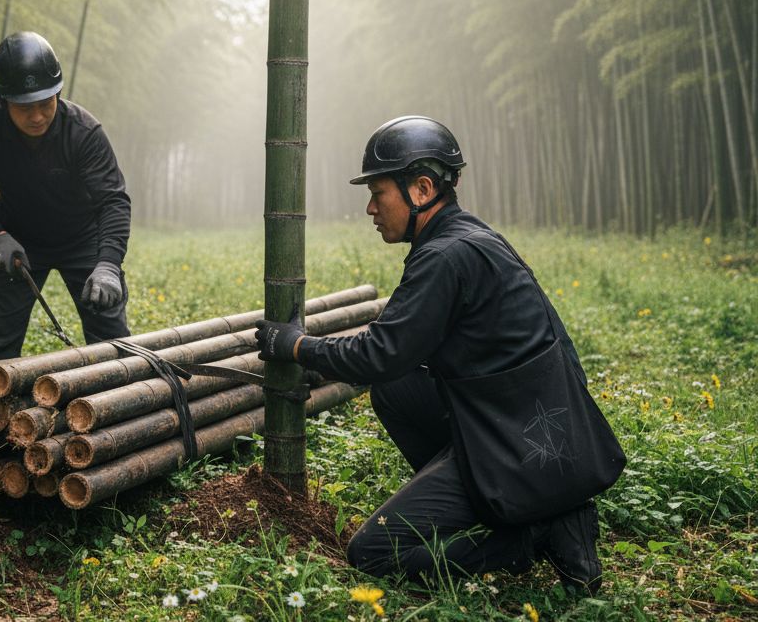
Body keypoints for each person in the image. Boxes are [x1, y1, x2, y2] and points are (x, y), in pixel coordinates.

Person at [255, 116, 606, 592]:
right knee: (397, 388)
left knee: (372, 553)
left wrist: (295, 345)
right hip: (530, 426)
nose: (370, 209)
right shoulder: (470, 237)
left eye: (378, 193)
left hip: (518, 447)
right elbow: (397, 361)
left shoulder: (444, 256)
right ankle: (520, 504)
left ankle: (530, 533)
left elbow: (379, 353)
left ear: (420, 189)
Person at [0, 31, 132, 360]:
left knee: (113, 343)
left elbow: (113, 202)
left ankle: (126, 408)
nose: (36, 116)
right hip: (18, 241)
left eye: (45, 104)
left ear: (59, 93)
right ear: (3, 100)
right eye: (24, 107)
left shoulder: (84, 133)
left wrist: (108, 264)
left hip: (84, 239)